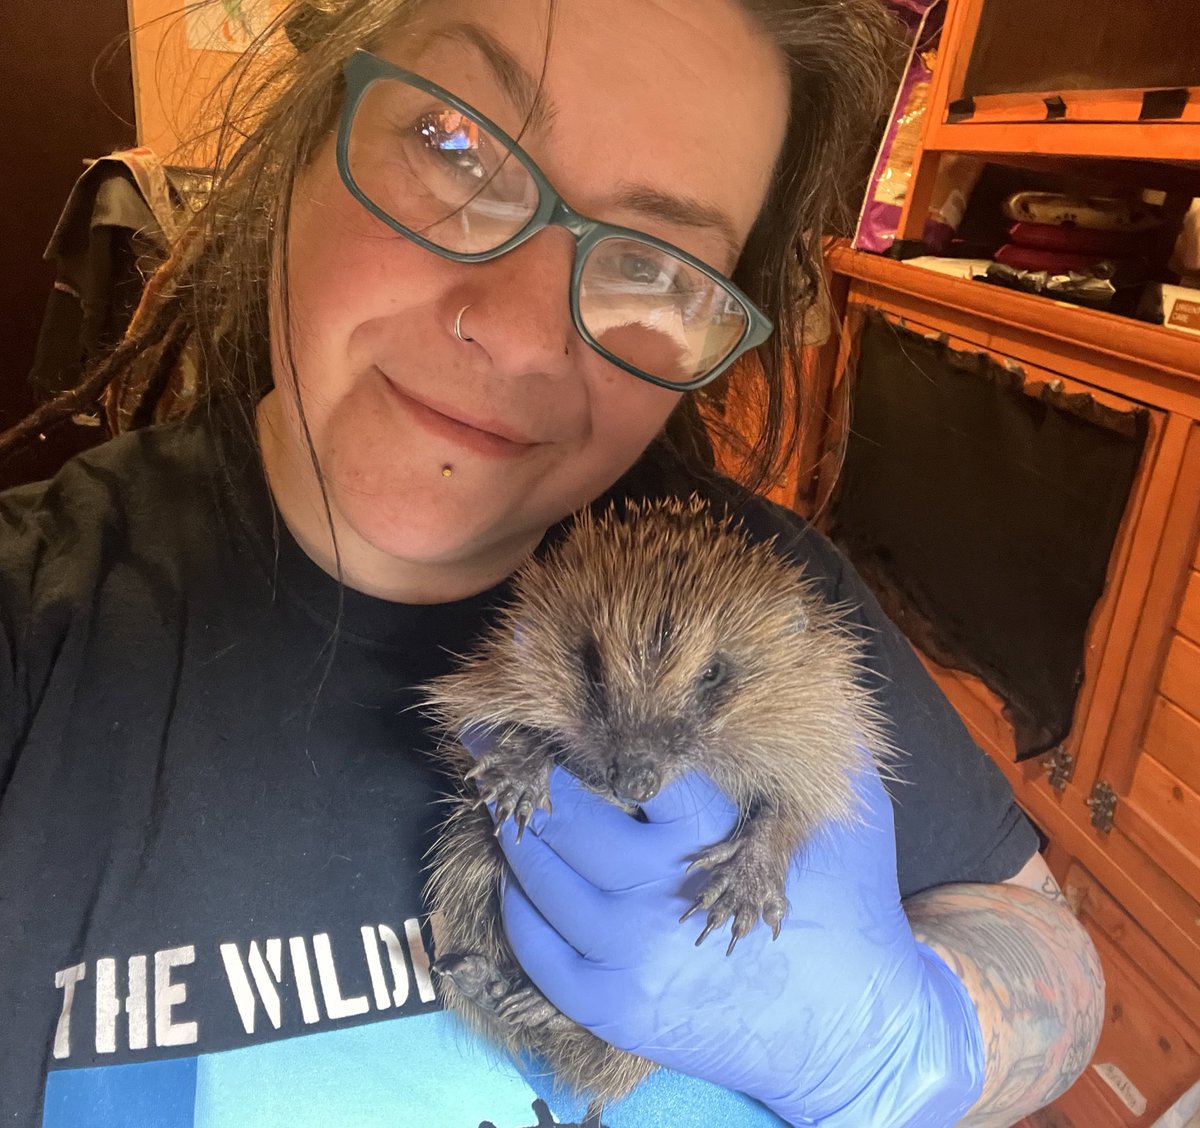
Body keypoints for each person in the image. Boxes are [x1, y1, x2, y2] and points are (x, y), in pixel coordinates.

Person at [0, 0, 1104, 1125]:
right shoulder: (32, 621)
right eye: (452, 143)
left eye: (659, 260)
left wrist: (908, 1045)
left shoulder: (787, 596)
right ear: (306, 129)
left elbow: (1053, 958)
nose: (524, 335)